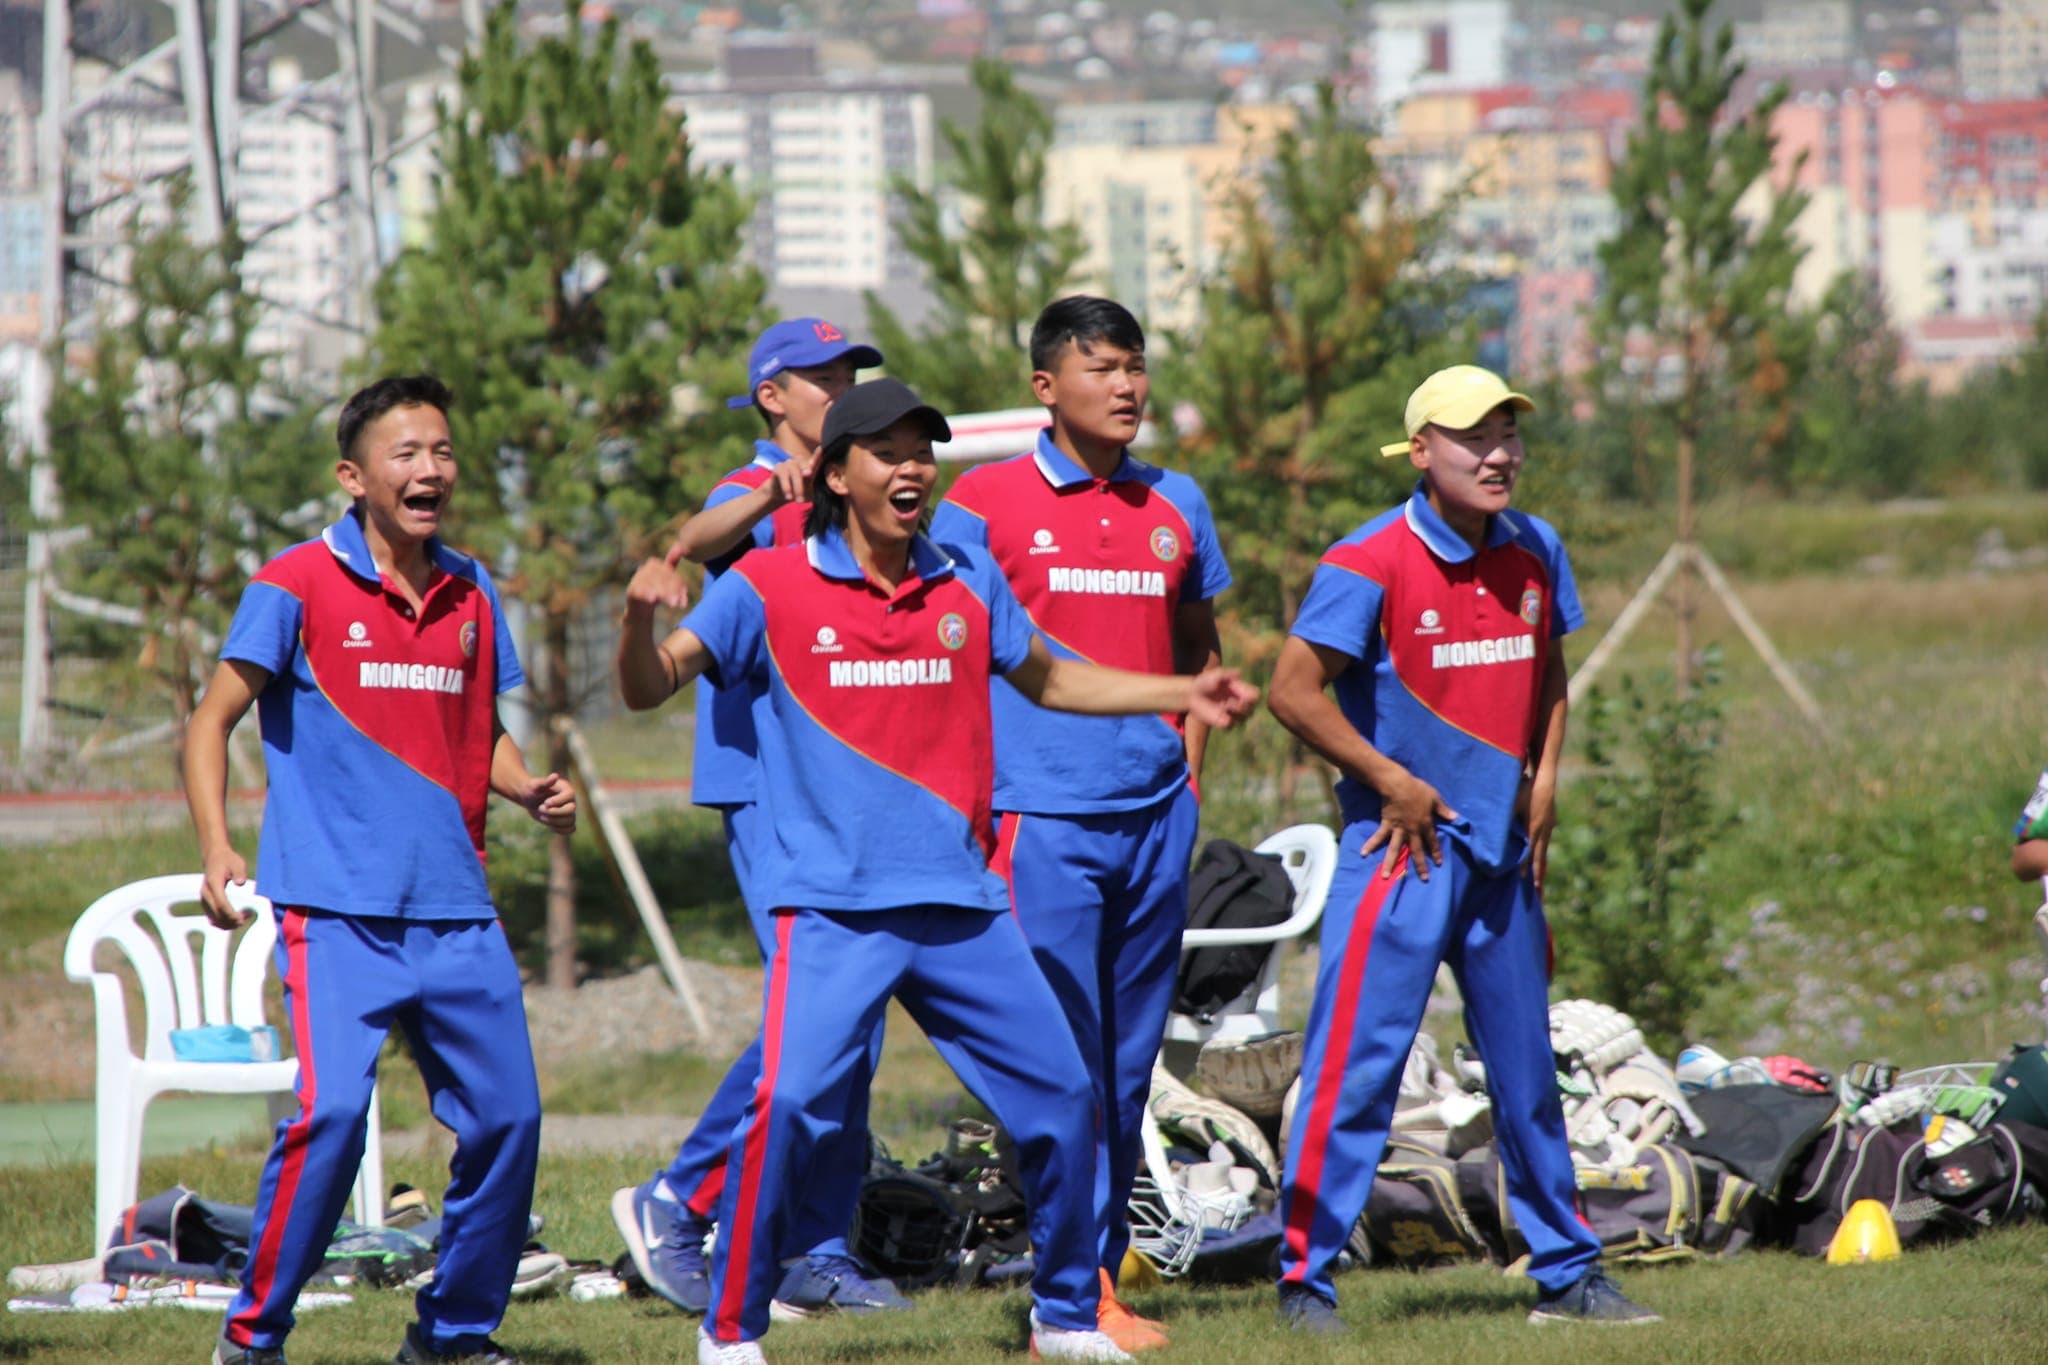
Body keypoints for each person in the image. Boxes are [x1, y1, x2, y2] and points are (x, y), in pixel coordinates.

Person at [615, 378, 1258, 1365]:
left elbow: (1051, 677)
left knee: (1064, 1098)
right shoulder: (767, 584)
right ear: (836, 474)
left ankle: (1063, 1317)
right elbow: (650, 683)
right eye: (887, 451)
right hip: (833, 910)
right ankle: (731, 1332)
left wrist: (1182, 690)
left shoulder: (966, 577)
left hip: (961, 906)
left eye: (922, 451)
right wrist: (633, 623)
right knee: (787, 1106)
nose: (912, 467)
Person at [185, 376, 577, 1365]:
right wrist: (217, 847)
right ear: (353, 477)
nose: (430, 469)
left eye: (441, 451)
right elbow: (209, 722)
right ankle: (252, 1338)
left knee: (509, 1119)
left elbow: (478, 733)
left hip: (456, 908)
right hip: (335, 912)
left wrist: (526, 787)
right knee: (329, 1118)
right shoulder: (293, 584)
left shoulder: (473, 589)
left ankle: (452, 1336)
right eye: (406, 453)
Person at [1263, 365, 1658, 1333]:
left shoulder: (1536, 547)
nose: (1497, 454)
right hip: (1399, 854)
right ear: (1420, 451)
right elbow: (1291, 691)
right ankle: (1305, 1281)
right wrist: (1389, 779)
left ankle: (1569, 1274)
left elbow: (1549, 668)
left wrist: (1546, 778)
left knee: (1527, 1075)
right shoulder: (1366, 559)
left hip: (1500, 858)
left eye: (1508, 435)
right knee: (1356, 1071)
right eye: (1472, 437)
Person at [927, 295, 1230, 1351]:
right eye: (1102, 367)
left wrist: (1186, 780)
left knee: (1128, 1069)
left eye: (1136, 366)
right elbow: (943, 650)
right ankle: (1068, 1291)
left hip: (1154, 822)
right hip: (1037, 821)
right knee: (1061, 1069)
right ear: (1045, 387)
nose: (1127, 386)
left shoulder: (1177, 500)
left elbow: (1199, 647)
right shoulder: (981, 503)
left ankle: (1094, 1277)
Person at [612, 317, 909, 1320]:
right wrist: (770, 497)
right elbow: (691, 542)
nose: (844, 390)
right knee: (818, 1015)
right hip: (765, 784)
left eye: (852, 374)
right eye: (824, 378)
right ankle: (676, 1199)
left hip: (848, 784)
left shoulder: (853, 486)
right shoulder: (748, 490)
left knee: (853, 1022)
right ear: (772, 397)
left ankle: (810, 1247)